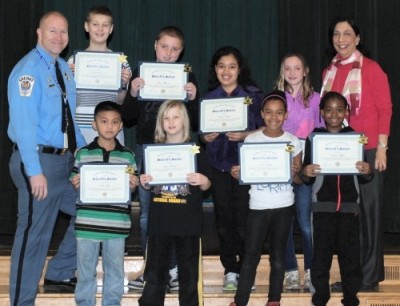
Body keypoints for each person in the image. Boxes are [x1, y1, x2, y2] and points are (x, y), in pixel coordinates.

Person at [7, 11, 86, 305]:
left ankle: (60, 270)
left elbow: (68, 118)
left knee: (91, 211)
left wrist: (81, 151)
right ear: (39, 33)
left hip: (63, 163)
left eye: (63, 32)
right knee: (33, 236)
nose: (58, 37)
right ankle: (20, 301)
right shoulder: (29, 71)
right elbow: (24, 125)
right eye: (52, 31)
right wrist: (34, 170)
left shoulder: (63, 68)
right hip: (38, 163)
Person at [122, 25, 199, 291]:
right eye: (164, 47)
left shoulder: (187, 76)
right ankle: (152, 269)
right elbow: (128, 117)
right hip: (148, 151)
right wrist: (132, 93)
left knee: (177, 208)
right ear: (155, 45)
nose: (168, 53)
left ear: (181, 52)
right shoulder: (142, 74)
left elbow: (197, 122)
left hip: (178, 153)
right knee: (147, 215)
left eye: (175, 49)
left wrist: (193, 98)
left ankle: (175, 270)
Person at [321, 16, 392, 291]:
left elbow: (385, 110)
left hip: (369, 149)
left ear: (358, 38)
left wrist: (382, 150)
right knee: (349, 216)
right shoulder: (329, 71)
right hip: (338, 150)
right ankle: (353, 274)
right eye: (337, 34)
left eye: (347, 33)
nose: (342, 39)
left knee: (369, 215)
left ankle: (370, 277)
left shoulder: (371, 69)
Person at [229, 90, 302, 306]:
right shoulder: (252, 139)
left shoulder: (293, 141)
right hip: (258, 206)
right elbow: (246, 172)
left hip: (284, 206)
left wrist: (295, 171)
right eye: (269, 112)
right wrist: (238, 173)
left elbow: (299, 181)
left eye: (279, 113)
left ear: (286, 115)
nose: (274, 117)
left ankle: (274, 300)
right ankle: (240, 300)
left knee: (278, 257)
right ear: (262, 114)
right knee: (250, 256)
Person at [201, 46, 264, 291]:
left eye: (231, 66)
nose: (226, 71)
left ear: (240, 69)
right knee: (224, 221)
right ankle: (230, 269)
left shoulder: (253, 95)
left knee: (245, 221)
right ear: (215, 69)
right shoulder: (209, 98)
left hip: (245, 168)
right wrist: (205, 139)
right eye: (221, 66)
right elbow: (202, 134)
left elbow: (267, 126)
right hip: (218, 168)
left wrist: (247, 134)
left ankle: (247, 268)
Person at [300, 91, 372, 306]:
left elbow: (366, 176)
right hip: (322, 209)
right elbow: (306, 175)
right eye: (329, 109)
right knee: (320, 258)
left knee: (350, 258)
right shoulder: (314, 138)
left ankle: (351, 298)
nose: (334, 114)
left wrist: (367, 170)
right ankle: (320, 298)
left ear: (346, 112)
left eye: (339, 109)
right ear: (322, 112)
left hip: (350, 208)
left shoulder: (356, 138)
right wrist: (307, 172)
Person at [138, 100, 211, 306]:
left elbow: (208, 185)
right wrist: (144, 182)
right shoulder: (152, 151)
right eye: (166, 118)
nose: (171, 122)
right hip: (159, 223)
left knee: (189, 278)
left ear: (184, 120)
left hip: (188, 224)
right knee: (154, 276)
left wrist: (203, 181)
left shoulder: (195, 150)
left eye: (175, 117)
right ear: (160, 122)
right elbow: (146, 184)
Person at [70, 101, 138, 306]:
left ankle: (112, 303)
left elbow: (131, 187)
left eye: (115, 122)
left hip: (116, 225)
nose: (109, 126)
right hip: (87, 225)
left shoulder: (128, 155)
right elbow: (75, 181)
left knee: (115, 271)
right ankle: (84, 302)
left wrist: (132, 185)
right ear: (94, 124)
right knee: (85, 273)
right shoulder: (82, 154)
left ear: (120, 126)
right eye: (104, 121)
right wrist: (76, 182)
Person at [274, 52, 323, 291]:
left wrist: (305, 165)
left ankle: (312, 271)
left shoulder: (316, 99)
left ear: (305, 71)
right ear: (282, 72)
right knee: (283, 221)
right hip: (279, 168)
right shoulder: (276, 99)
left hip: (304, 171)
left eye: (297, 68)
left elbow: (320, 137)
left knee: (305, 222)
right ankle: (291, 271)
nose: (292, 73)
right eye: (287, 68)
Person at [69, 5, 132, 144]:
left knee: (114, 165)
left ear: (111, 29)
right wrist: (70, 79)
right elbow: (69, 99)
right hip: (81, 127)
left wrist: (123, 85)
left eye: (105, 25)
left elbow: (120, 101)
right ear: (87, 26)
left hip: (112, 128)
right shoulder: (74, 61)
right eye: (95, 24)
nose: (100, 29)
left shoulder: (121, 61)